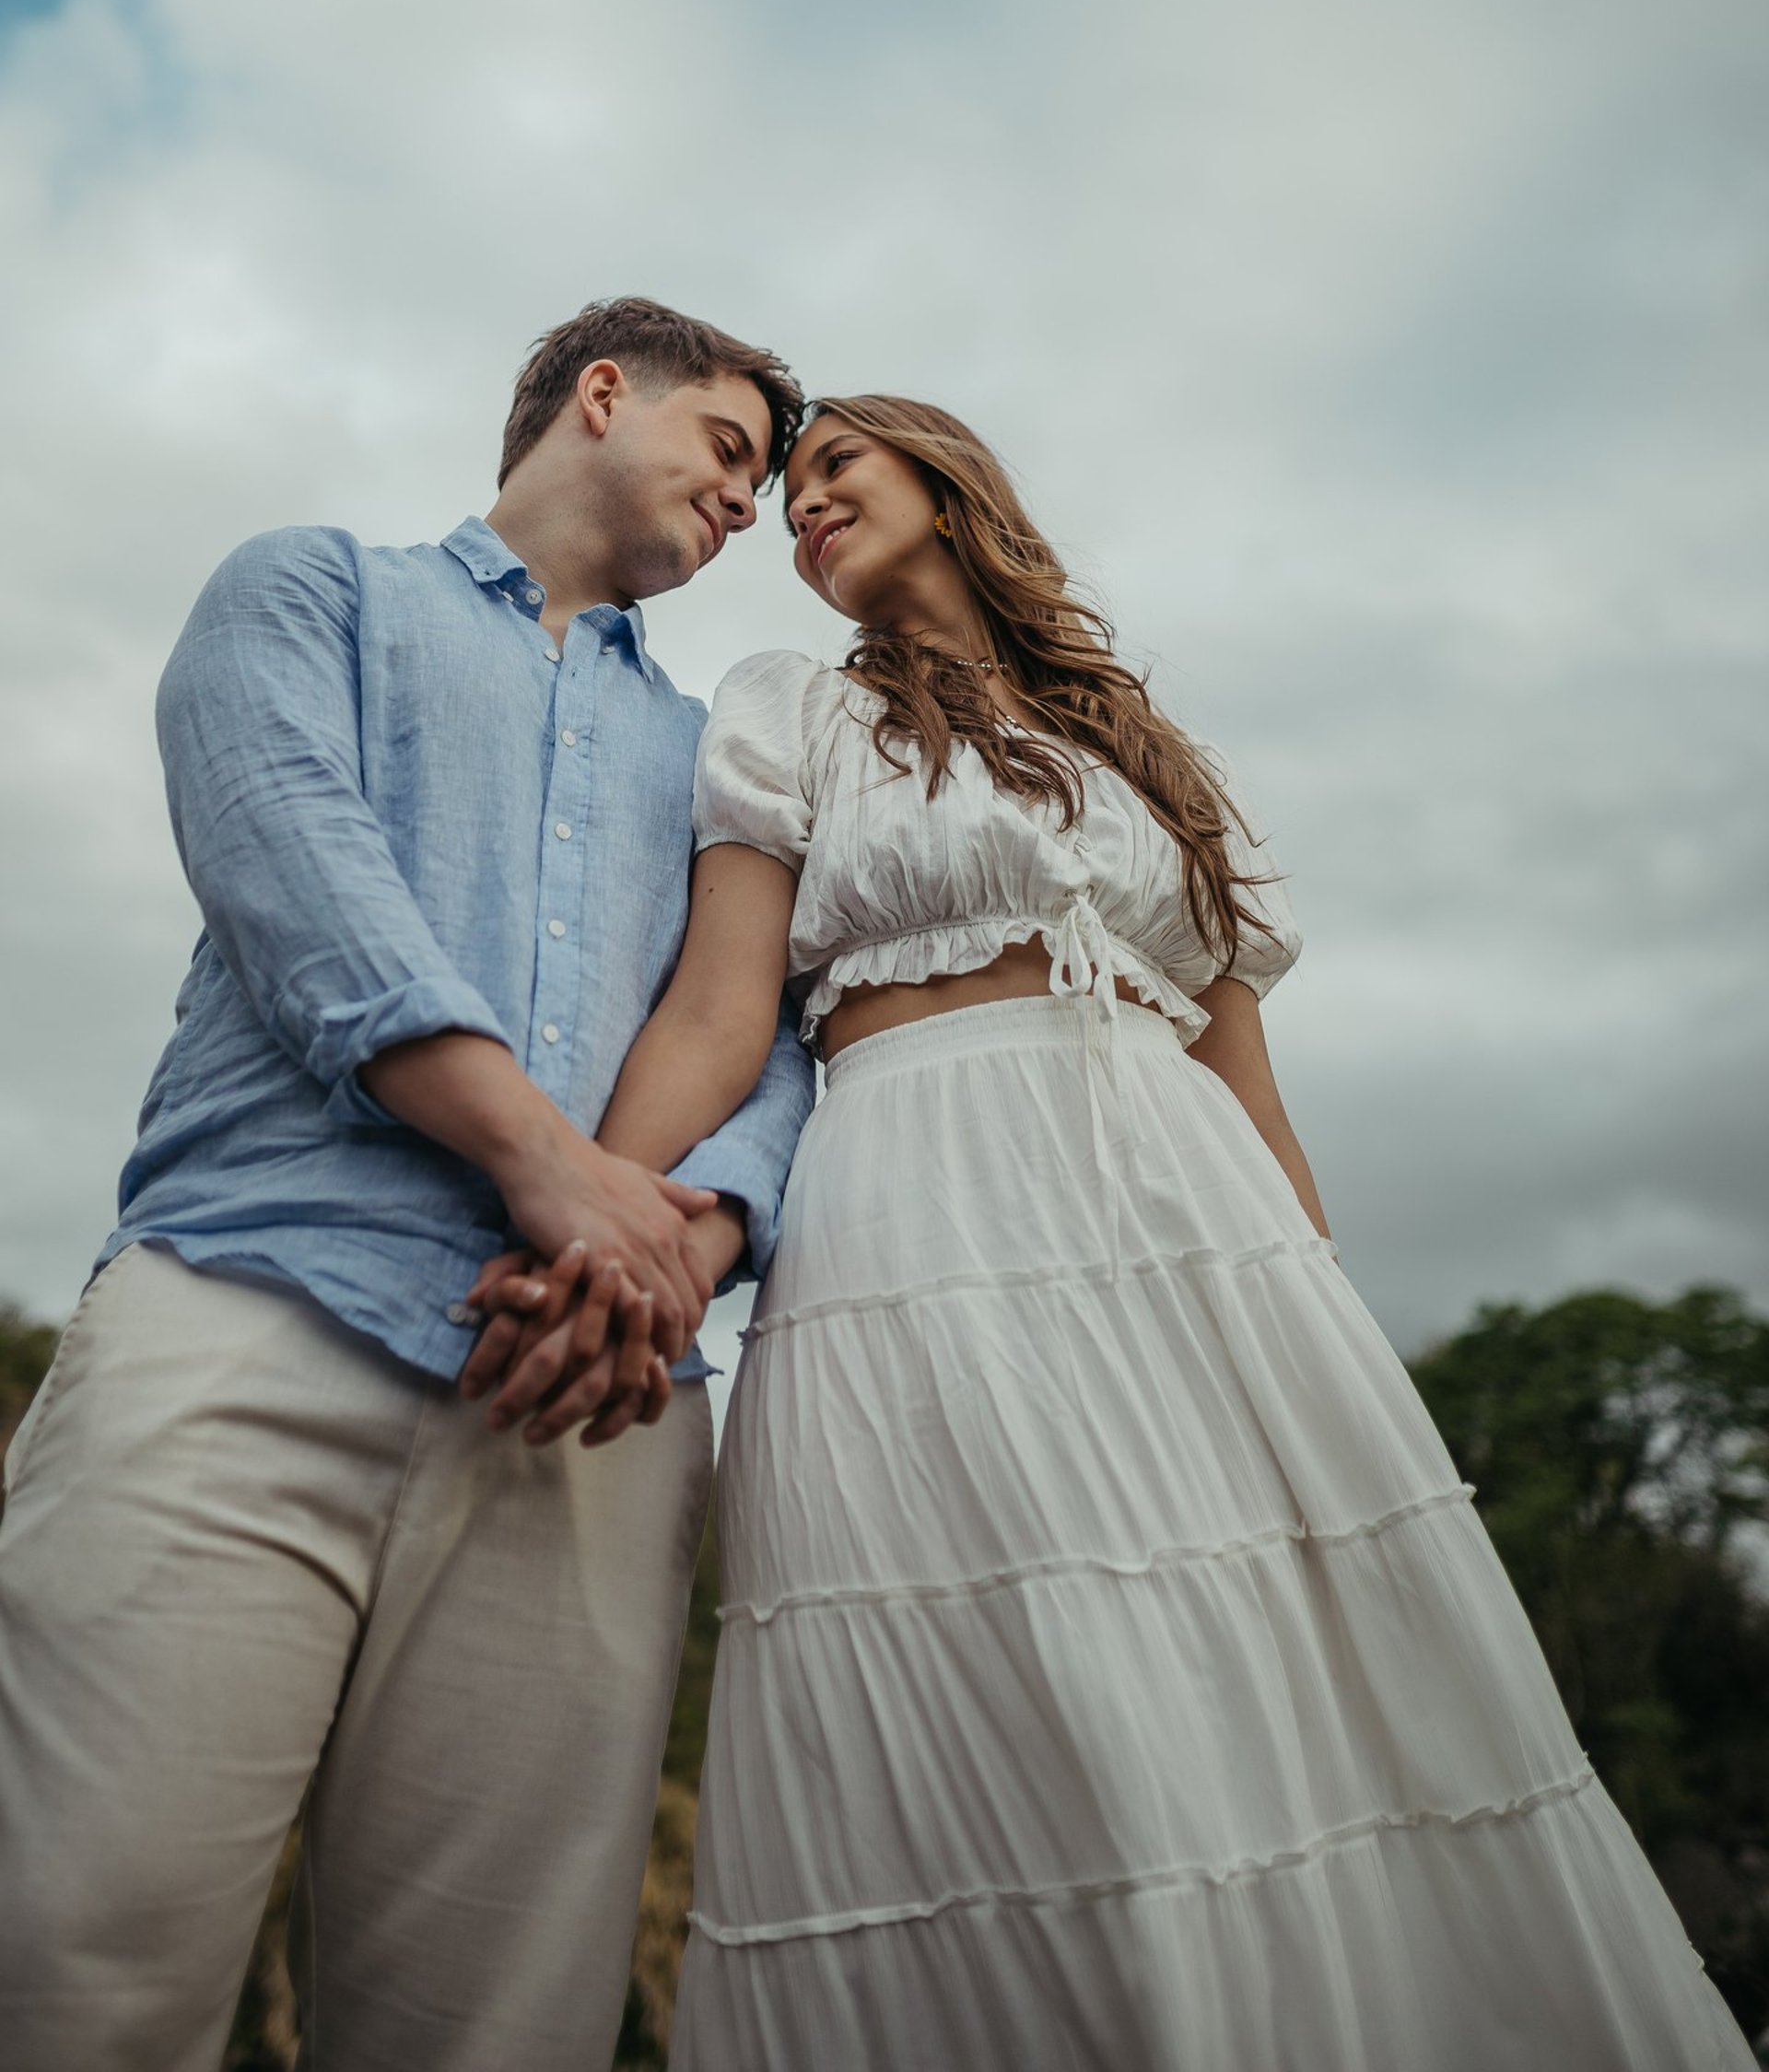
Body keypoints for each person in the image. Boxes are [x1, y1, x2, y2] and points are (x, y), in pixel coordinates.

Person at [472, 393, 1751, 2068]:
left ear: (950, 480)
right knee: (1002, 1649)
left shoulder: (1151, 753)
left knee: (1247, 1673)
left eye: (835, 469)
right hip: (922, 1202)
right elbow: (722, 1016)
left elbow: (1248, 1081)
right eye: (782, 499)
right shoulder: (792, 714)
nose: (803, 511)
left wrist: (1322, 1325)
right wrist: (592, 1226)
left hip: (1183, 1215)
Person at [0, 299, 815, 2072]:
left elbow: (785, 1036)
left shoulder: (720, 762)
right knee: (73, 1959)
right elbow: (289, 855)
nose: (751, 502)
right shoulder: (313, 591)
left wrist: (686, 1235)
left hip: (593, 1416)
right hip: (249, 1322)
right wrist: (555, 1170)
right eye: (730, 451)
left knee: (493, 2026)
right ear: (602, 395)